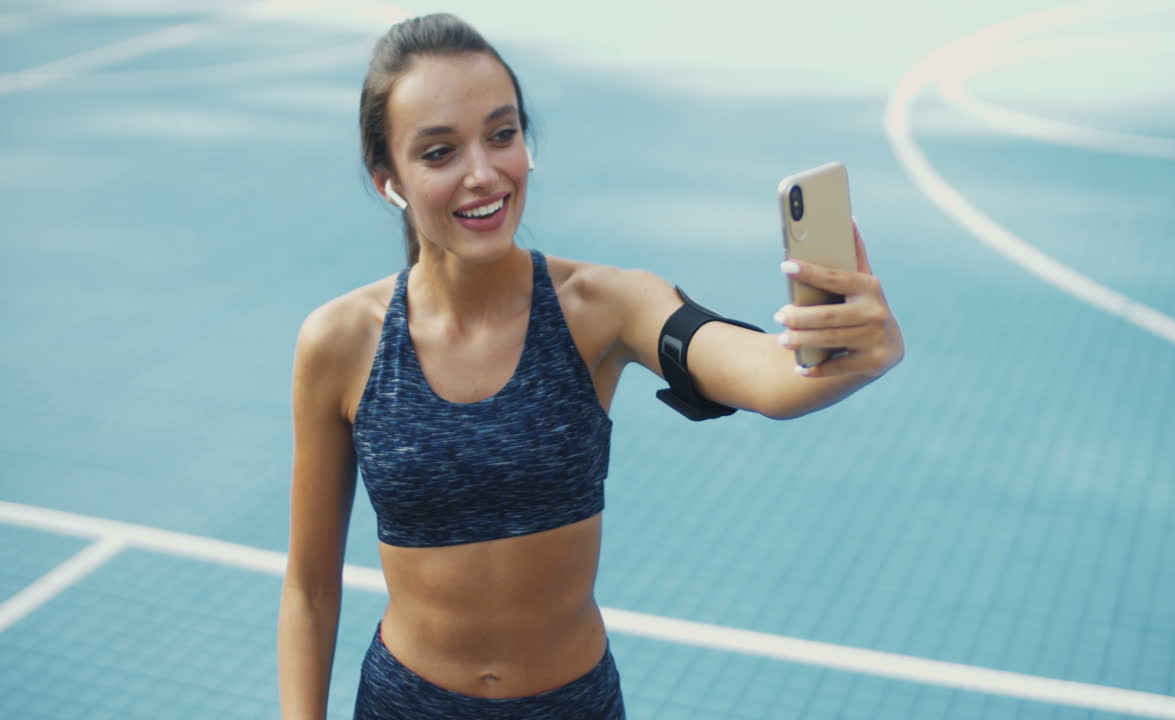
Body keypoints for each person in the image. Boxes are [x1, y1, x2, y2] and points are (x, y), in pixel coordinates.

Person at [277, 13, 903, 720]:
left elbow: (767, 376)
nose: (484, 173)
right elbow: (309, 589)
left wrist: (852, 350)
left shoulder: (604, 309)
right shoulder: (339, 343)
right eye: (440, 152)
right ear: (388, 177)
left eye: (502, 134)